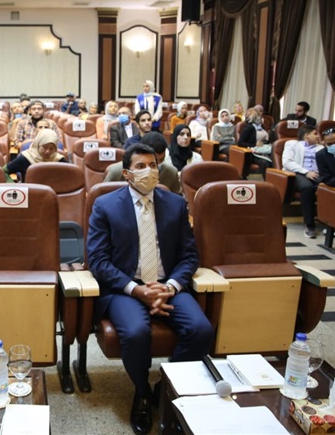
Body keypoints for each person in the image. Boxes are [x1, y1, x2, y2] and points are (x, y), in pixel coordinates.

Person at [87, 143, 212, 435]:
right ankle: (142, 392)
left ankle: (165, 386)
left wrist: (170, 286)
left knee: (201, 330)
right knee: (136, 333)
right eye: (140, 167)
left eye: (153, 166)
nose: (149, 171)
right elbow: (98, 260)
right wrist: (136, 290)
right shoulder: (105, 205)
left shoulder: (175, 204)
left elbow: (189, 256)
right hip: (124, 288)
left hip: (168, 285)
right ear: (127, 174)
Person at [105, 132, 181, 194]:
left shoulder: (171, 172)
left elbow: (175, 200)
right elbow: (104, 199)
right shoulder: (116, 171)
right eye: (155, 161)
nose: (158, 164)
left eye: (162, 159)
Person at [282, 125, 323, 238]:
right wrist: (306, 172)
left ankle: (334, 225)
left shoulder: (321, 148)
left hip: (317, 174)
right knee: (307, 188)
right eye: (315, 134)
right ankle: (309, 226)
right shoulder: (292, 144)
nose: (318, 136)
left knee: (331, 187)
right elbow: (287, 162)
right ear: (306, 136)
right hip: (297, 173)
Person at [238, 107, 272, 177]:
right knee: (265, 162)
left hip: (264, 149)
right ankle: (268, 181)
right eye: (258, 116)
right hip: (253, 152)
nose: (260, 118)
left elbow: (266, 139)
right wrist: (254, 144)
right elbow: (240, 143)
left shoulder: (261, 126)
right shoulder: (249, 128)